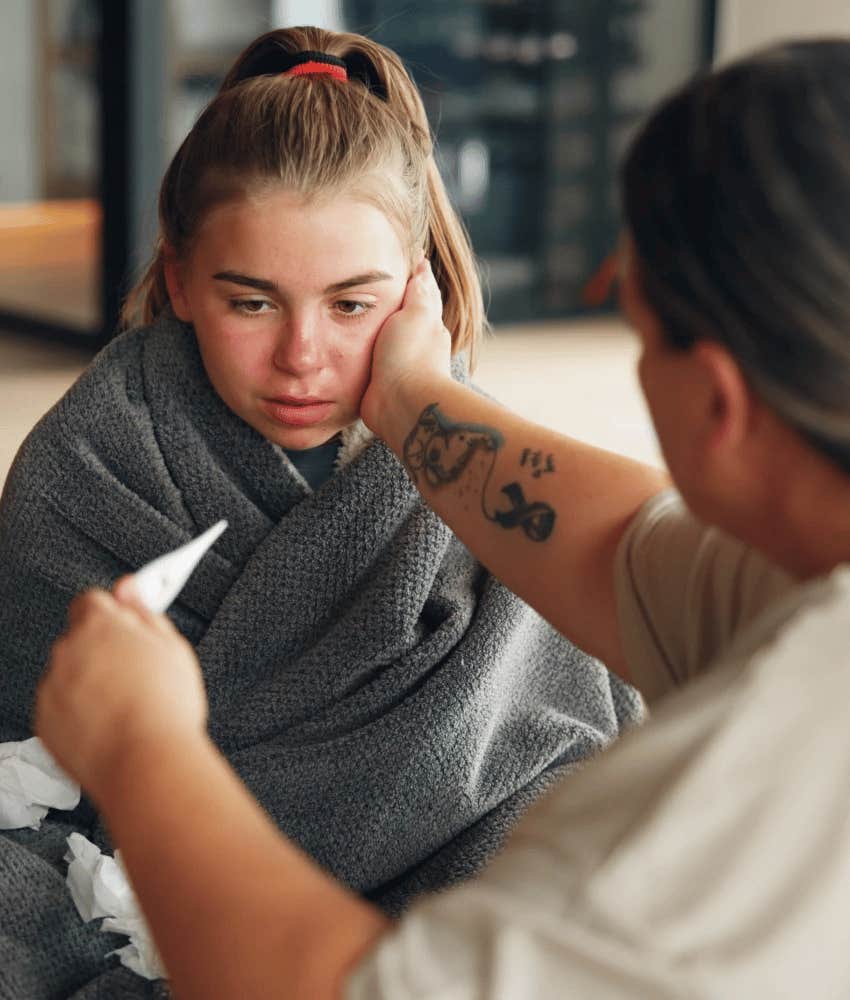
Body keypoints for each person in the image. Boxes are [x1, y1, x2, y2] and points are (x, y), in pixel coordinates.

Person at [34, 36, 850, 998]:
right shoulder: (793, 593)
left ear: (715, 401)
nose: (302, 354)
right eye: (254, 301)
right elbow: (625, 549)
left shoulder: (723, 822)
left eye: (634, 325)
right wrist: (413, 395)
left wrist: (141, 748)